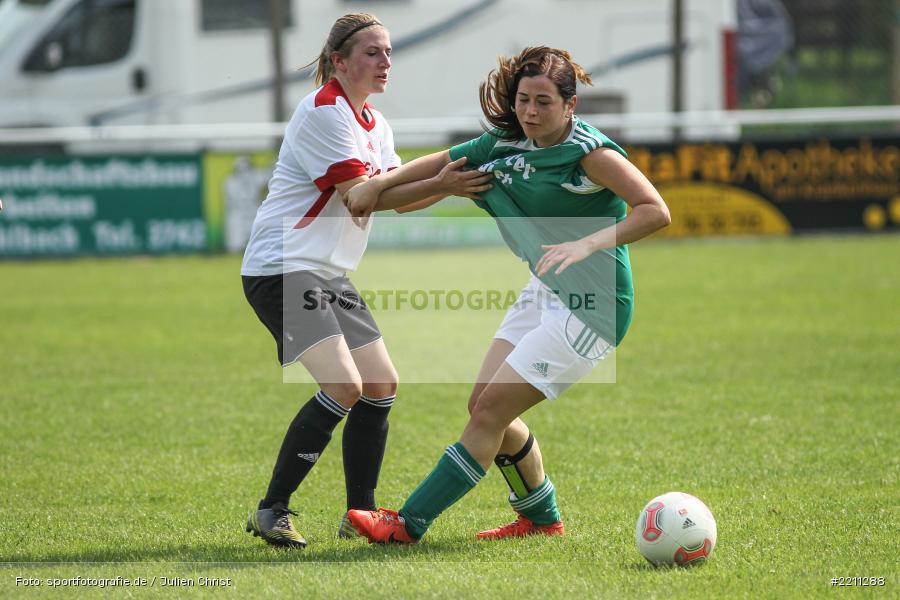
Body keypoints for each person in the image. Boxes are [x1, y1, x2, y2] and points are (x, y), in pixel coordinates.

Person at [343, 47, 670, 543]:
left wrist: (587, 243)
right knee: (484, 407)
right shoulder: (505, 140)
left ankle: (408, 524)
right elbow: (444, 163)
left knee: (493, 411)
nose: (531, 112)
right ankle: (542, 520)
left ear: (570, 106)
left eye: (543, 102)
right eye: (523, 100)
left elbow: (655, 210)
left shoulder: (591, 154)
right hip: (547, 289)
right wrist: (376, 187)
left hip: (594, 308)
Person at [240, 13, 491, 548]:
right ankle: (271, 510)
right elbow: (361, 196)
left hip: (327, 273)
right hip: (282, 266)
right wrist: (443, 179)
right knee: (344, 387)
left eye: (389, 52)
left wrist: (454, 184)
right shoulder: (325, 112)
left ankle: (360, 513)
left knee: (380, 385)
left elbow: (396, 199)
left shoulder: (375, 121)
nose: (385, 62)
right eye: (373, 52)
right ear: (339, 61)